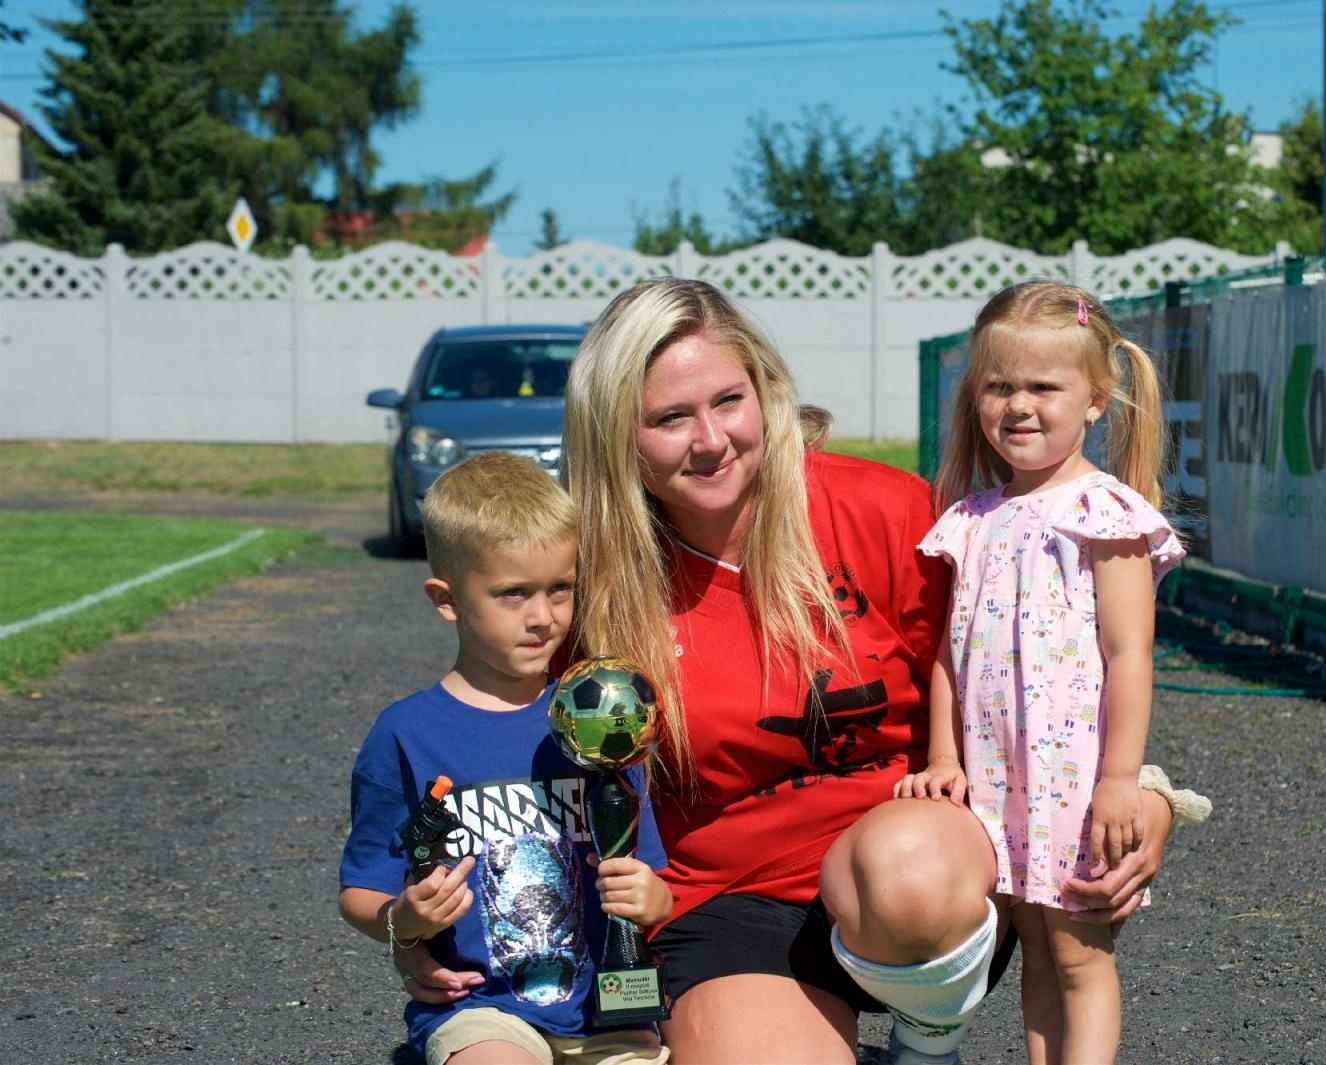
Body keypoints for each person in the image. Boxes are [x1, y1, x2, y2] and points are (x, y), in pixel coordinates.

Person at [398, 278, 1192, 1065]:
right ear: (618, 436)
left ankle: (929, 1040)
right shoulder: (597, 581)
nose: (710, 439)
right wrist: (434, 932)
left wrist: (1144, 787)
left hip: (911, 876)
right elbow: (512, 751)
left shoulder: (886, 511)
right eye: (670, 418)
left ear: (765, 392)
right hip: (729, 897)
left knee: (909, 870)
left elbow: (1028, 673)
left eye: (727, 401)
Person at [896, 281, 1204, 1064]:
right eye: (1000, 385)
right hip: (1000, 784)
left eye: (1044, 387)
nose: (1018, 405)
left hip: (1076, 784)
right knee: (1035, 953)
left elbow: (1130, 654)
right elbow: (946, 653)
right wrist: (942, 758)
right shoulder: (968, 521)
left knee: (1079, 956)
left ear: (1096, 400)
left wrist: (1122, 777)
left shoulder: (1107, 513)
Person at [339, 451, 673, 1065]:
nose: (542, 618)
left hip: (609, 1012)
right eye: (513, 594)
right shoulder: (407, 733)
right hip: (480, 1012)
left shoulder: (598, 719)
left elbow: (646, 867)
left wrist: (654, 900)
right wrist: (405, 920)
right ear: (447, 600)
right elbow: (361, 891)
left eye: (559, 589)